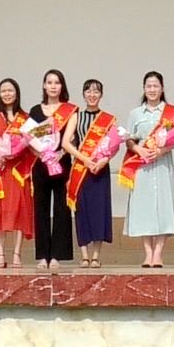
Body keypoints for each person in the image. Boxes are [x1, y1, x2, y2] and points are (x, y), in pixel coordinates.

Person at [123, 71, 174, 267]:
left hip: (162, 164)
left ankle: (159, 253)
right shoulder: (135, 113)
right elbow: (128, 139)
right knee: (143, 208)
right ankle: (148, 253)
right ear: (144, 88)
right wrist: (138, 149)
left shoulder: (171, 112)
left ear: (162, 88)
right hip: (141, 165)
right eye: (149, 86)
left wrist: (162, 150)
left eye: (156, 86)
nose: (152, 89)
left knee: (164, 206)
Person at [61, 78, 114, 267]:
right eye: (88, 91)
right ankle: (84, 255)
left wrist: (103, 160)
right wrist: (84, 159)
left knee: (99, 211)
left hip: (100, 169)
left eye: (96, 91)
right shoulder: (77, 116)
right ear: (83, 94)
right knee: (81, 211)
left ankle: (96, 256)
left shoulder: (108, 119)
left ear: (101, 94)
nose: (92, 95)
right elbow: (66, 143)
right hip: (81, 168)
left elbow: (114, 146)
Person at [27, 70, 76, 269]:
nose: (53, 86)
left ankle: (57, 255)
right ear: (44, 86)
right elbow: (29, 138)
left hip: (61, 163)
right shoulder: (35, 111)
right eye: (50, 82)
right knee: (41, 208)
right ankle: (42, 255)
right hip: (40, 164)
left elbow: (71, 138)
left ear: (62, 86)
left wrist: (59, 155)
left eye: (57, 82)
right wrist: (42, 155)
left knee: (61, 209)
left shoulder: (70, 110)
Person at [0, 78, 33, 267]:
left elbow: (31, 143)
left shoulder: (26, 118)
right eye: (3, 90)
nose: (7, 94)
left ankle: (17, 254)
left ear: (17, 93)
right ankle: (0, 255)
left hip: (18, 171)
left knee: (20, 210)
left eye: (10, 90)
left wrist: (15, 153)